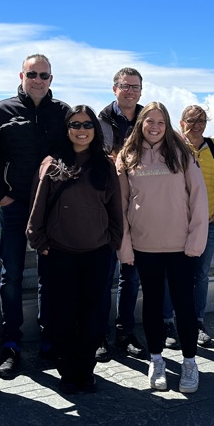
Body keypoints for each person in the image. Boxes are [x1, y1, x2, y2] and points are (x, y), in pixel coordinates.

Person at [0, 54, 72, 377]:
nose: (38, 80)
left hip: (51, 208)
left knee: (51, 276)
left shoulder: (62, 113)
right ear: (21, 75)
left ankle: (50, 340)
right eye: (32, 74)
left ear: (51, 79)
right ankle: (11, 344)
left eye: (44, 75)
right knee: (12, 275)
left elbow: (73, 154)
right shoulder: (1, 111)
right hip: (16, 205)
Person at [26, 105, 123, 394]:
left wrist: (113, 243)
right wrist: (40, 243)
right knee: (63, 317)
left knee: (92, 317)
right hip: (59, 252)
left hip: (97, 253)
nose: (82, 130)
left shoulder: (105, 165)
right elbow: (37, 207)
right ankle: (68, 372)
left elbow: (115, 208)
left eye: (87, 125)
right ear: (67, 129)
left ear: (95, 129)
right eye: (75, 125)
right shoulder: (52, 164)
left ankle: (86, 370)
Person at [117, 102, 208, 393]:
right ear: (140, 123)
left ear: (167, 125)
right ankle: (156, 359)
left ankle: (190, 361)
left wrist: (196, 241)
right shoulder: (127, 156)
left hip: (181, 246)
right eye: (149, 121)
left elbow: (198, 198)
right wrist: (125, 248)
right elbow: (120, 207)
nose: (154, 126)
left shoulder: (181, 154)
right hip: (144, 246)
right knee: (153, 306)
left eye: (160, 121)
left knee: (184, 305)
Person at [161, 105, 214, 349]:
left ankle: (197, 322)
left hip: (207, 222)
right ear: (180, 122)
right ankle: (168, 322)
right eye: (190, 120)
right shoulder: (171, 146)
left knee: (200, 274)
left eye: (201, 120)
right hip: (177, 224)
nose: (196, 125)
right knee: (172, 275)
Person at [96, 67, 147, 360]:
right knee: (103, 275)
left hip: (137, 206)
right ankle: (99, 334)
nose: (130, 91)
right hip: (105, 207)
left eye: (135, 87)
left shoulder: (146, 118)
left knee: (131, 275)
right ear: (114, 88)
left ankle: (125, 332)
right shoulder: (101, 121)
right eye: (125, 86)